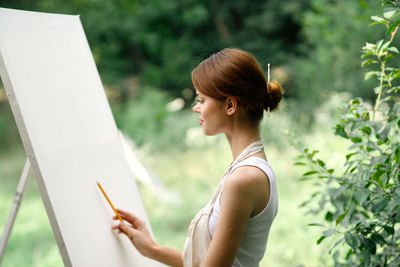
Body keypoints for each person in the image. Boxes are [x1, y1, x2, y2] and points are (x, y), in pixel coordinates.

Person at [112, 48, 282, 267]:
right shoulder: (247, 169)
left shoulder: (244, 179)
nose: (195, 108)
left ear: (230, 105)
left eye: (201, 100)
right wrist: (152, 249)